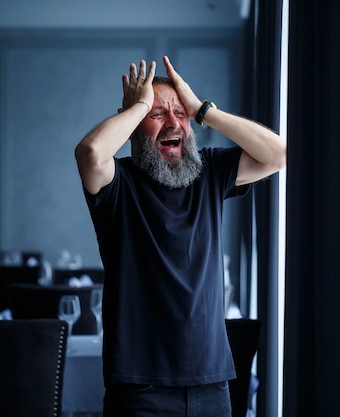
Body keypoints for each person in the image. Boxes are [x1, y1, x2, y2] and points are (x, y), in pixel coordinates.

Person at [75, 55, 286, 417]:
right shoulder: (117, 184)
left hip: (212, 384)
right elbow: (91, 152)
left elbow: (278, 154)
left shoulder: (210, 171)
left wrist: (203, 109)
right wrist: (139, 104)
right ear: (134, 126)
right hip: (140, 389)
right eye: (157, 115)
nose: (173, 122)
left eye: (180, 113)